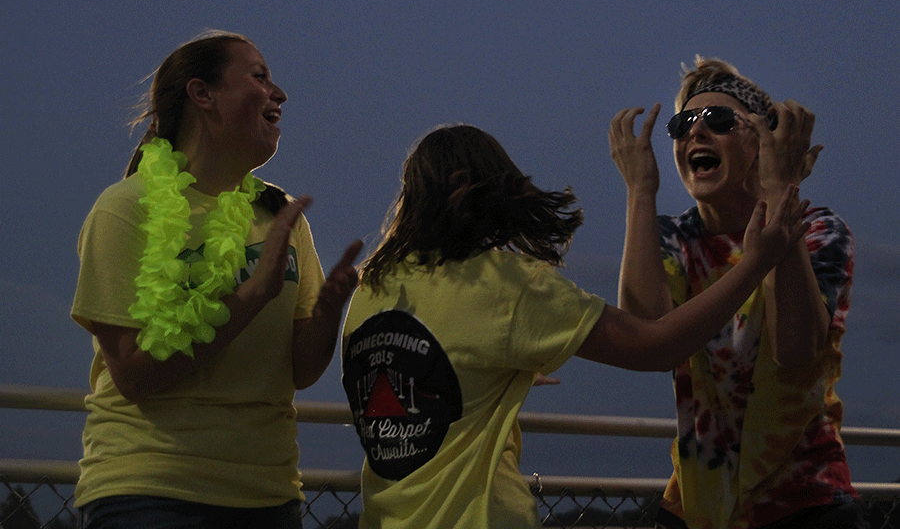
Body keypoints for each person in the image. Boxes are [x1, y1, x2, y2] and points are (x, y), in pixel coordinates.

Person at [339, 123, 808, 529]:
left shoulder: (371, 289)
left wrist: (493, 370)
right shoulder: (501, 284)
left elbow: (413, 382)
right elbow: (656, 347)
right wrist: (757, 261)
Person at [70, 30, 362, 529]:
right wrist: (251, 295)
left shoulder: (279, 215)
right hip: (152, 491)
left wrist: (330, 311)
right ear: (203, 94)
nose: (280, 93)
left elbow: (300, 368)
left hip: (268, 492)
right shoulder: (124, 209)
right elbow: (135, 377)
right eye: (259, 76)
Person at [608, 56, 866, 529]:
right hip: (697, 508)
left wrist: (779, 190)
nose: (696, 133)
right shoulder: (673, 239)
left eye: (720, 120)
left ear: (761, 143)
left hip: (806, 506)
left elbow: (795, 349)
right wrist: (640, 191)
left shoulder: (819, 231)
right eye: (684, 122)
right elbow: (645, 340)